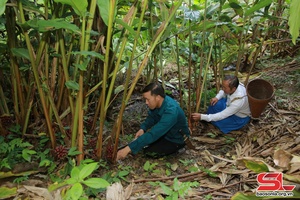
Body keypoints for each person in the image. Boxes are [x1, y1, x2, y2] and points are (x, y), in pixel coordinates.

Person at [116, 82, 190, 160]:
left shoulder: (171, 111)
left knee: (149, 153)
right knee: (142, 145)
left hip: (175, 139)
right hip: (165, 135)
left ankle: (179, 148)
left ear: (157, 97)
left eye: (148, 99)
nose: (146, 102)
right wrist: (143, 128)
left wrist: (127, 149)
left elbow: (154, 133)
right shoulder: (158, 102)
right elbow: (151, 117)